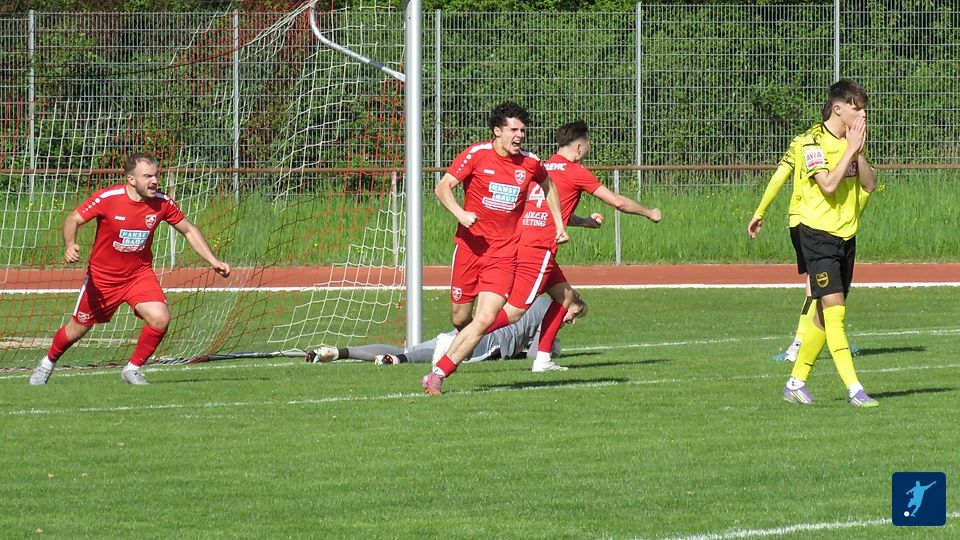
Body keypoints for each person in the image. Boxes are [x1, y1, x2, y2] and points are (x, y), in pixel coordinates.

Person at [449, 119, 660, 372]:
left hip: (518, 241)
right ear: (579, 147)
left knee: (565, 297)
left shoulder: (540, 165)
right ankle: (452, 345)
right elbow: (617, 202)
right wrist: (649, 212)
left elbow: (549, 209)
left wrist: (584, 222)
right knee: (512, 313)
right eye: (588, 145)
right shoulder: (575, 171)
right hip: (537, 248)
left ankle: (543, 359)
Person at [29, 153, 231, 385]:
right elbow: (73, 218)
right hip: (102, 280)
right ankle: (47, 364)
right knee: (77, 329)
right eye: (147, 176)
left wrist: (213, 260)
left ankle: (132, 369)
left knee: (160, 318)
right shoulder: (108, 198)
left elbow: (188, 229)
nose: (154, 181)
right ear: (131, 179)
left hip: (138, 276)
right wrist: (70, 245)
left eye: (156, 175)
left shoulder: (163, 203)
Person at [424, 102, 568, 395]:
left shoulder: (530, 163)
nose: (520, 136)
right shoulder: (477, 155)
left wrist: (559, 224)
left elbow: (549, 186)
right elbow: (443, 187)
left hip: (503, 254)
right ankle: (458, 341)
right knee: (460, 318)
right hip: (470, 248)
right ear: (497, 131)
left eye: (523, 130)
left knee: (487, 318)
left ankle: (438, 374)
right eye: (514, 130)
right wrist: (460, 214)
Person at [779, 79, 878, 407]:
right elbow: (828, 185)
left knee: (824, 314)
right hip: (817, 235)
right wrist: (849, 150)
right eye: (856, 108)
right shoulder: (812, 143)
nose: (862, 114)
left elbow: (870, 185)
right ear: (838, 109)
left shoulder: (853, 143)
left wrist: (858, 153)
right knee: (835, 311)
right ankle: (855, 389)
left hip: (846, 236)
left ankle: (795, 382)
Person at [747, 103, 859, 363]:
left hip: (798, 220)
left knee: (820, 284)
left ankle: (823, 339)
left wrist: (760, 212)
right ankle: (799, 344)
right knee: (817, 285)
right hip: (814, 222)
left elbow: (779, 177)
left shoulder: (802, 140)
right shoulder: (817, 143)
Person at [307, 294, 586, 366]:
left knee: (416, 349)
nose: (571, 320)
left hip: (475, 327)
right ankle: (397, 360)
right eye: (573, 314)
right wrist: (552, 349)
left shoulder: (534, 299)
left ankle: (341, 352)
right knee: (432, 356)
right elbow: (535, 355)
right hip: (487, 343)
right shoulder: (552, 311)